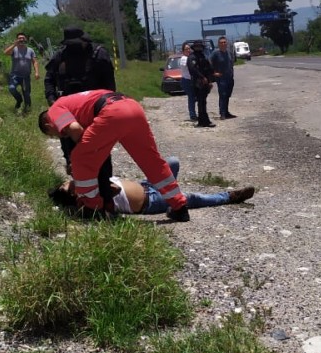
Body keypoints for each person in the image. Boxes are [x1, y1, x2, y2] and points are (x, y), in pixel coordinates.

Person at [38, 89, 191, 222]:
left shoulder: (54, 110)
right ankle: (179, 207)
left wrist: (79, 155)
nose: (60, 136)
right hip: (133, 107)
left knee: (79, 158)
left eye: (53, 135)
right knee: (152, 161)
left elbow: (75, 128)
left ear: (48, 125)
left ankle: (92, 209)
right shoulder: (75, 101)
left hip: (112, 113)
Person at [44, 25, 116, 198]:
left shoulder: (99, 55)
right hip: (67, 112)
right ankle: (83, 194)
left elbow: (110, 86)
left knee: (99, 152)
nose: (75, 46)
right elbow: (49, 80)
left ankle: (104, 192)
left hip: (95, 111)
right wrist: (53, 102)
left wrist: (107, 108)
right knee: (71, 154)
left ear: (85, 41)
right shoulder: (60, 56)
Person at [48, 156, 255, 216]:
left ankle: (171, 190)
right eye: (68, 186)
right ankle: (228, 197)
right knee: (190, 199)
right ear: (73, 197)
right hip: (150, 202)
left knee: (172, 162)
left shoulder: (87, 184)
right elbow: (115, 190)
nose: (70, 183)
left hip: (148, 185)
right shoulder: (90, 200)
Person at [4, 32, 39, 112]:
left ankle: (28, 109)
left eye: (23, 38)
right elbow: (6, 53)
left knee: (27, 94)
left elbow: (35, 62)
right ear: (17, 39)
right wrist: (14, 44)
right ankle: (19, 100)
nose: (21, 39)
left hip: (25, 76)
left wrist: (36, 72)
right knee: (11, 88)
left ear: (25, 39)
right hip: (15, 75)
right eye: (19, 38)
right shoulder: (14, 49)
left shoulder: (30, 50)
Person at [186, 40, 216, 128]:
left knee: (203, 102)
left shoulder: (203, 56)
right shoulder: (192, 57)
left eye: (200, 46)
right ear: (194, 47)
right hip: (197, 82)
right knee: (200, 102)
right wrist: (202, 77)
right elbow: (193, 69)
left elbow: (209, 68)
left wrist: (210, 80)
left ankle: (205, 120)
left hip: (205, 82)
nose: (198, 48)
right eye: (197, 46)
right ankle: (202, 121)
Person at [210, 36, 236, 119]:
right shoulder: (215, 53)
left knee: (228, 95)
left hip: (230, 77)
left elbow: (232, 62)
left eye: (224, 42)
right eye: (221, 42)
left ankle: (227, 112)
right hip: (221, 78)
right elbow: (208, 63)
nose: (223, 44)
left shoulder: (229, 52)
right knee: (223, 95)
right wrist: (214, 73)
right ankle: (222, 113)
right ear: (218, 44)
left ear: (226, 43)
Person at [178, 42, 197, 121]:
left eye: (189, 48)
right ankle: (192, 115)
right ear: (183, 51)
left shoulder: (190, 58)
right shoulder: (183, 59)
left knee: (194, 97)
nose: (188, 50)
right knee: (192, 97)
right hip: (186, 81)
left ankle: (193, 113)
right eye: (186, 49)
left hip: (192, 80)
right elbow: (191, 65)